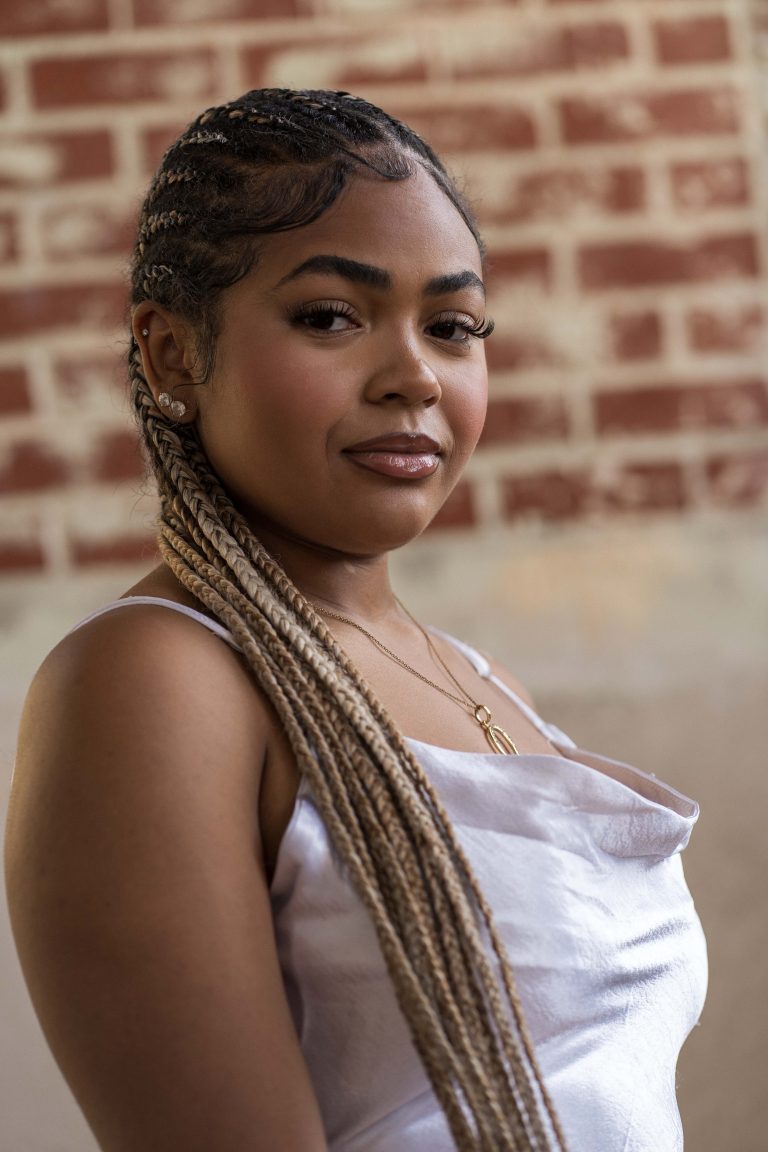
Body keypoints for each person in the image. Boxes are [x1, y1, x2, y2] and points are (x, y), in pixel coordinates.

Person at [4, 88, 706, 1152]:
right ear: (171, 356)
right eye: (332, 315)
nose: (415, 376)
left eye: (454, 326)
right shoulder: (157, 679)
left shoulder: (484, 679)